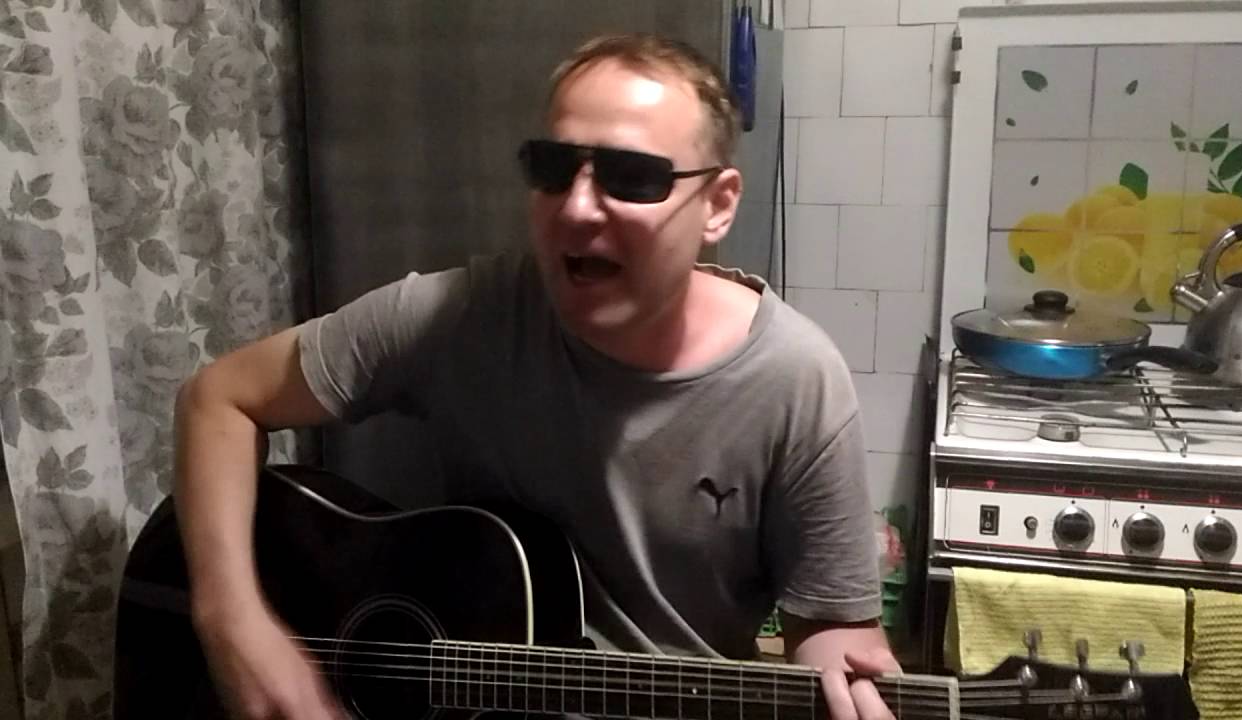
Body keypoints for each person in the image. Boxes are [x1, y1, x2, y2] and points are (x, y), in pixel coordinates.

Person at [173, 32, 901, 720]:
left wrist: (843, 667)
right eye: (554, 169)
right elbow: (219, 400)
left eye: (631, 177)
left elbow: (829, 630)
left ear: (717, 205)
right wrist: (231, 619)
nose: (577, 208)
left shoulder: (796, 381)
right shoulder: (459, 316)